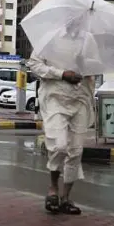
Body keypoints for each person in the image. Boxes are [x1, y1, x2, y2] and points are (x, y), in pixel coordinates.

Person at [27, 52, 95, 215]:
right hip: (55, 99)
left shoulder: (89, 43)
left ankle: (65, 198)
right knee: (59, 146)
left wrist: (87, 66)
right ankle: (53, 188)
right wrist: (62, 74)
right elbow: (35, 65)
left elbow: (93, 72)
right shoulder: (48, 40)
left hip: (80, 101)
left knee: (76, 152)